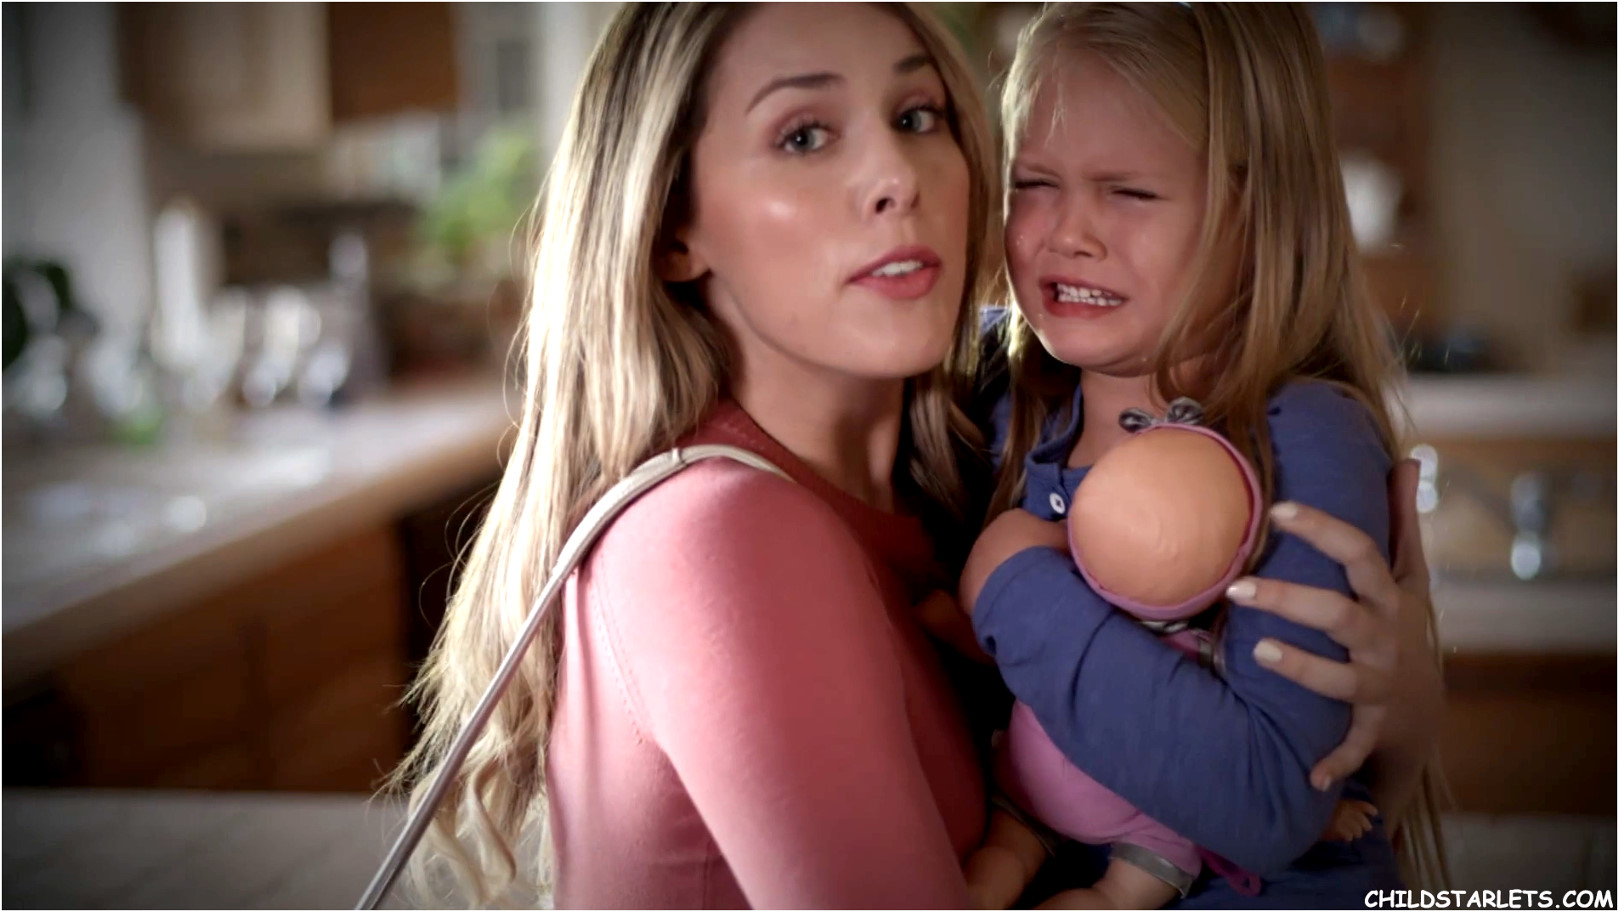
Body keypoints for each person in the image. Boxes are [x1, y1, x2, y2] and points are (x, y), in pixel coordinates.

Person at [387, 4, 1443, 908]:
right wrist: (1013, 579)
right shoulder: (722, 537)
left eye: (916, 116)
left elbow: (1258, 799)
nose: (894, 174)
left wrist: (1392, 731)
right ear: (670, 225)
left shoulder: (970, 439)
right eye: (803, 135)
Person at [954, 4, 1447, 907]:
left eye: (1129, 192)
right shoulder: (996, 394)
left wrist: (1013, 581)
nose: (1068, 233)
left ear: (1258, 213)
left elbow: (1267, 802)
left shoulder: (1300, 439)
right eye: (1033, 182)